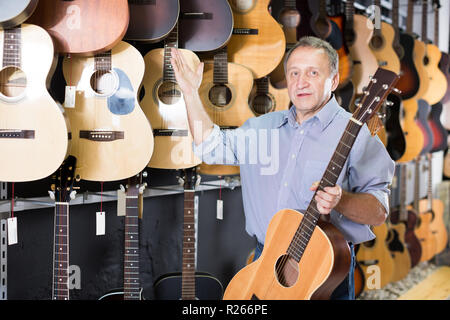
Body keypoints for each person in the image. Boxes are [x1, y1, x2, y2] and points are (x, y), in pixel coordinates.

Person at [170, 36, 395, 300]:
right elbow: (209, 147)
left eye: (313, 72)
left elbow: (378, 212)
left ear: (333, 81)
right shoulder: (262, 129)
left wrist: (341, 201)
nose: (301, 82)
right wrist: (189, 94)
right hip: (265, 261)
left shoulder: (356, 134)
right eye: (294, 73)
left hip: (325, 268)